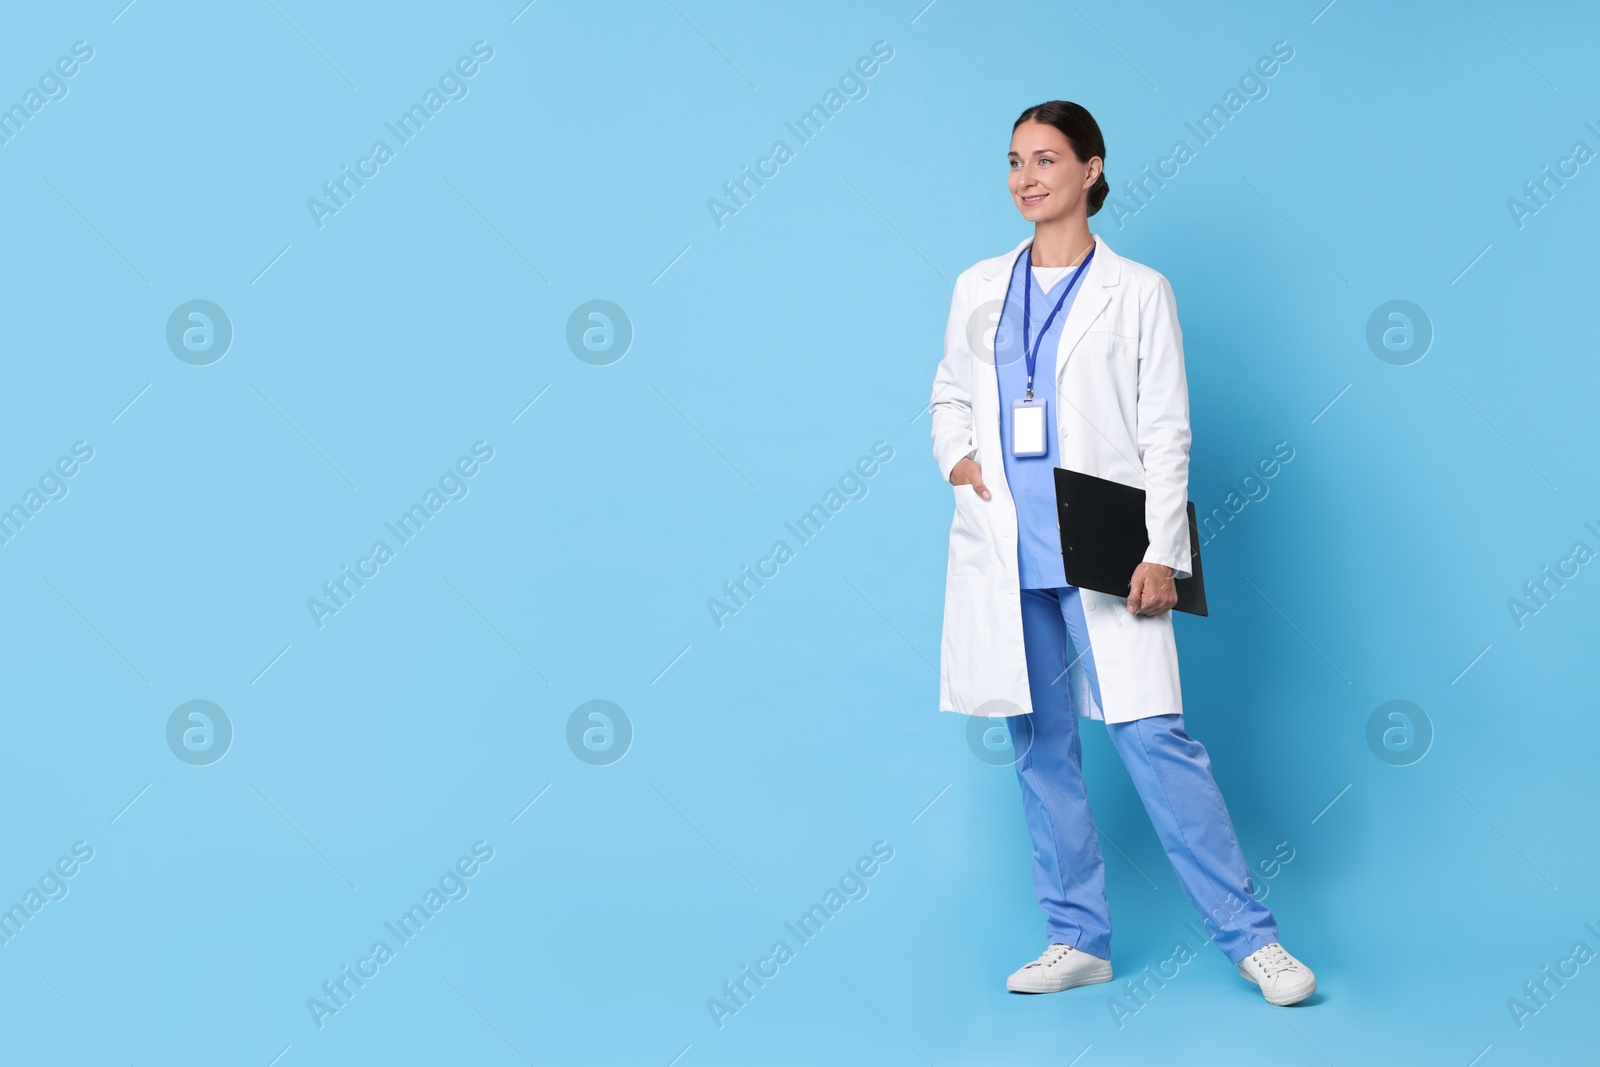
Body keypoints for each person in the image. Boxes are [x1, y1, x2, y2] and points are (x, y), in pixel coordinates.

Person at [928, 100, 1316, 1006]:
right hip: (1006, 544)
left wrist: (1162, 551)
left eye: (1048, 159)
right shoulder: (979, 284)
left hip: (1104, 544)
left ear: (1092, 170)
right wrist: (958, 459)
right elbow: (950, 393)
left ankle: (1253, 939)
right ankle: (1077, 936)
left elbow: (1167, 430)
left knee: (1154, 739)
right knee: (1041, 746)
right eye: (1016, 160)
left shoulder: (1137, 289)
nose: (1028, 177)